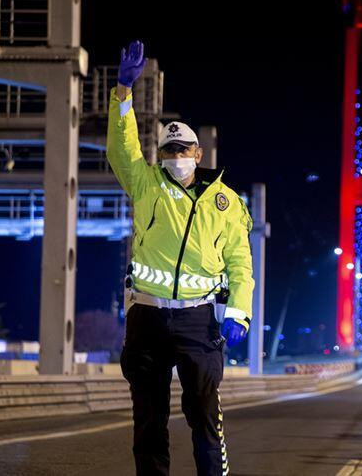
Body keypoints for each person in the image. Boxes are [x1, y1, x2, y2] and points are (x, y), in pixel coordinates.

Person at [109, 41, 255, 476]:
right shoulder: (145, 182)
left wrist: (240, 313)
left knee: (203, 417)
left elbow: (240, 265)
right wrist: (123, 91)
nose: (175, 158)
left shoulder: (225, 203)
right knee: (148, 422)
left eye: (182, 150)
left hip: (198, 321)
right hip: (148, 318)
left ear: (199, 154)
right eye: (168, 151)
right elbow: (122, 146)